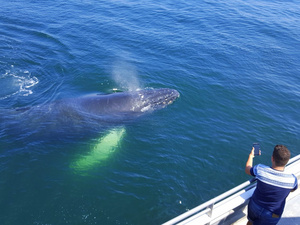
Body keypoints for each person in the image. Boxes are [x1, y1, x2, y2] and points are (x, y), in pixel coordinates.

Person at [245, 144, 298, 225]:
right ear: (287, 161)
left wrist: (251, 156)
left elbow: (247, 169)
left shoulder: (260, 169)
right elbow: (293, 189)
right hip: (272, 213)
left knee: (251, 221)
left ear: (272, 158)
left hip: (255, 205)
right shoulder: (292, 180)